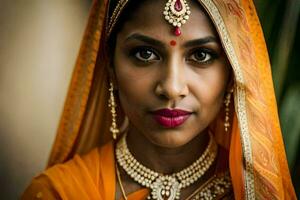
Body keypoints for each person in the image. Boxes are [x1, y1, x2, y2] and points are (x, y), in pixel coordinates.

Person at [22, 0, 296, 199]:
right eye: (145, 54)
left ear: (232, 73)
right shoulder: (58, 193)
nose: (172, 87)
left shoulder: (254, 193)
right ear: (111, 68)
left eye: (201, 55)